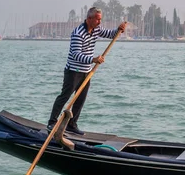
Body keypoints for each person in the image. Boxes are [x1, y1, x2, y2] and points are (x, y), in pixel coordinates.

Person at [47, 7, 126, 136]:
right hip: (73, 71)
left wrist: (118, 30)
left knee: (81, 99)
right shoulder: (78, 33)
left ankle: (72, 124)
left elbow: (110, 34)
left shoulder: (96, 29)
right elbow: (76, 54)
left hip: (86, 72)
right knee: (65, 96)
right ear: (89, 19)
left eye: (100, 20)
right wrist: (93, 59)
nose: (99, 22)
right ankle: (52, 122)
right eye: (97, 19)